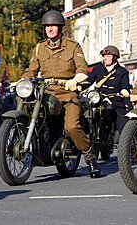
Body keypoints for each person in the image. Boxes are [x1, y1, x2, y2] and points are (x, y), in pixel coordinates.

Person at [21, 10, 100, 177]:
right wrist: (23, 81)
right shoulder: (39, 48)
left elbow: (83, 69)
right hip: (45, 91)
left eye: (53, 26)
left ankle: (89, 154)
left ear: (60, 27)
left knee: (71, 127)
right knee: (24, 101)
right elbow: (31, 70)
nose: (49, 29)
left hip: (67, 92)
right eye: (47, 26)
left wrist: (76, 79)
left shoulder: (72, 46)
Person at [86, 45, 132, 134]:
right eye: (104, 56)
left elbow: (125, 85)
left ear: (115, 58)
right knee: (87, 116)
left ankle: (129, 145)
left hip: (116, 101)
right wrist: (79, 86)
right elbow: (89, 81)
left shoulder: (122, 71)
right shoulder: (98, 68)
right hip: (99, 101)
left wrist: (124, 90)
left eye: (108, 56)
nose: (105, 58)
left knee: (123, 125)